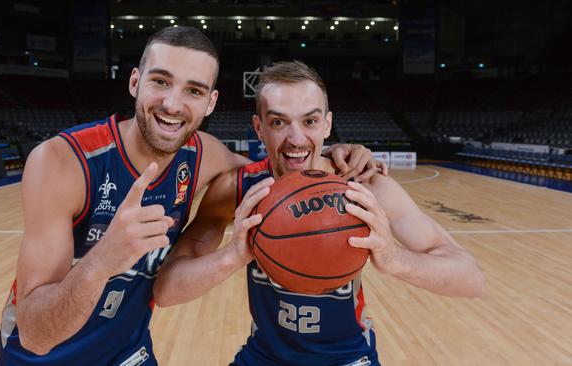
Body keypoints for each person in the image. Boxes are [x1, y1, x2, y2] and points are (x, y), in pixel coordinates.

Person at [0, 27, 382, 366]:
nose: (172, 104)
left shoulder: (204, 155)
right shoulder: (64, 161)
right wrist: (101, 263)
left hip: (127, 354)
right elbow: (35, 336)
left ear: (210, 103)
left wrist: (335, 151)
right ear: (135, 81)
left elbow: (288, 170)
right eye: (161, 81)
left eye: (193, 90)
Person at [153, 61, 485, 366]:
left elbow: (470, 278)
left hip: (347, 358)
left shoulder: (362, 185)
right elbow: (166, 291)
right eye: (279, 122)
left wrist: (395, 259)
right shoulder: (237, 189)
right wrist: (233, 255)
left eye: (310, 121)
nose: (296, 139)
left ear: (327, 124)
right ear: (258, 128)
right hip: (264, 356)